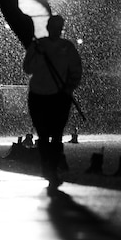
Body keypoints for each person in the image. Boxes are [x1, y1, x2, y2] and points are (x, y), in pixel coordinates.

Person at [23, 14, 82, 191]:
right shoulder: (38, 45)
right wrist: (37, 54)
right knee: (43, 135)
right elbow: (28, 68)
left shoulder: (67, 47)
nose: (56, 29)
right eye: (53, 26)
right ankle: (47, 166)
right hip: (38, 96)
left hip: (59, 96)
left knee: (56, 135)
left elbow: (76, 70)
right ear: (48, 27)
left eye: (59, 26)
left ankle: (52, 168)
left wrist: (69, 87)